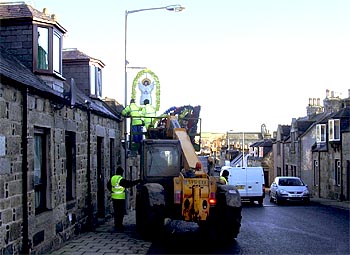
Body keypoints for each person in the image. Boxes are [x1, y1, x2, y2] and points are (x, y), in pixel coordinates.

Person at [110, 166, 141, 231]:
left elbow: (108, 185)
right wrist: (137, 181)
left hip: (114, 197)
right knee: (120, 212)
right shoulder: (120, 179)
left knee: (116, 211)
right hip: (120, 198)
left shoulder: (113, 178)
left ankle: (116, 224)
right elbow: (129, 184)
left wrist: (113, 190)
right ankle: (119, 225)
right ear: (121, 172)